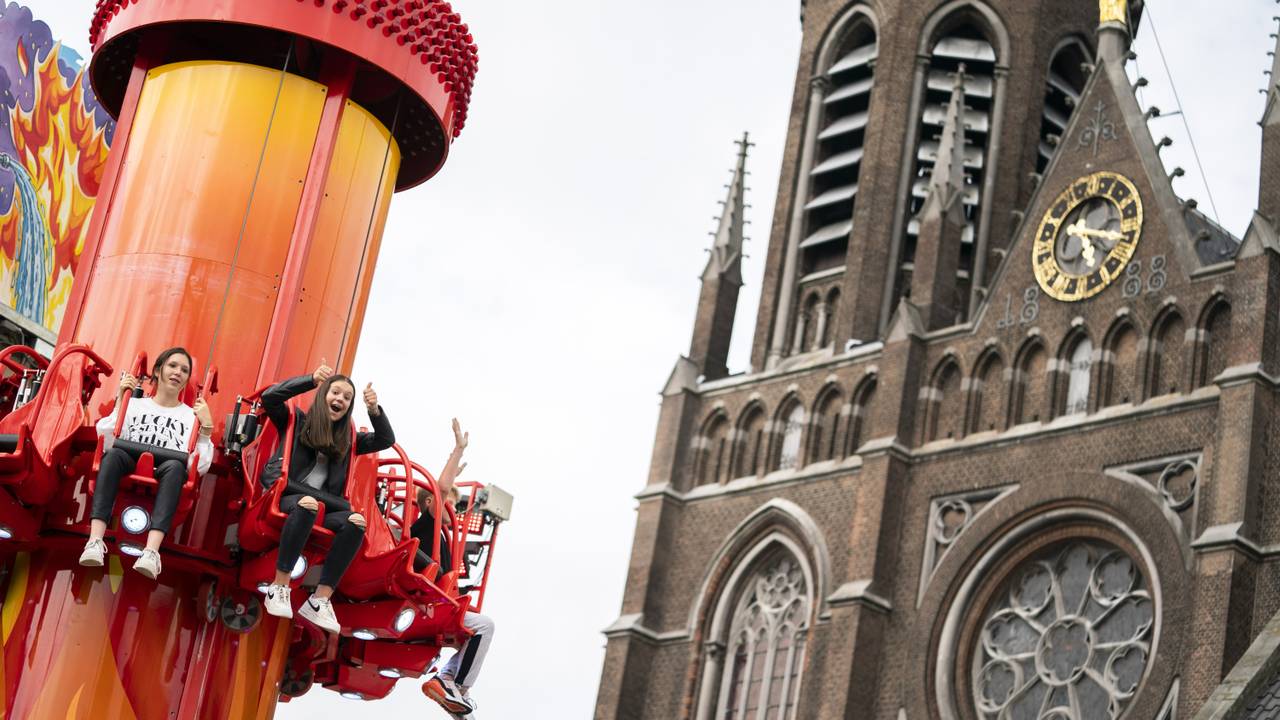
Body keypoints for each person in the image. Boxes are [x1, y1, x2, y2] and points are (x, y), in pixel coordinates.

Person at [258, 360, 395, 633]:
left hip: (327, 506)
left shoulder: (348, 440)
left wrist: (374, 411)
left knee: (356, 521)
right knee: (308, 505)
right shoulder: (297, 421)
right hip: (287, 496)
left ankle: (320, 600)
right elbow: (269, 397)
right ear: (324, 395)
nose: (340, 399)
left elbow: (385, 439)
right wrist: (310, 379)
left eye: (347, 397)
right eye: (335, 393)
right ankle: (279, 586)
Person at [79, 346, 215, 579]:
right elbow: (106, 438)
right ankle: (95, 540)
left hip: (167, 469)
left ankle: (151, 552)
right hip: (129, 459)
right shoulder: (136, 405)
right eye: (172, 366)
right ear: (159, 370)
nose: (177, 372)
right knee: (112, 457)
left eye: (184, 370)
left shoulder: (189, 416)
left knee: (175, 469)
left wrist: (206, 430)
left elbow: (199, 466)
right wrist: (122, 401)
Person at [418, 419, 494, 719]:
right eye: (452, 502)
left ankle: (452, 687)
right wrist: (457, 450)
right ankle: (453, 683)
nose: (455, 508)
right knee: (484, 626)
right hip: (426, 601)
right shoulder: (426, 525)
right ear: (430, 503)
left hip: (438, 600)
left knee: (474, 632)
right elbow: (440, 488)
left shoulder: (443, 540)